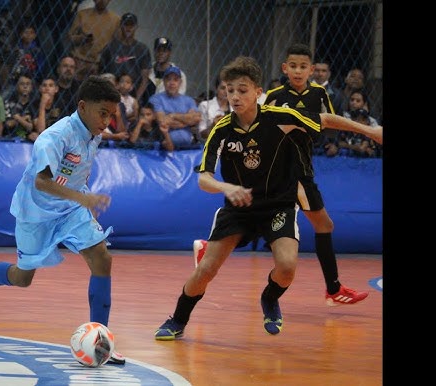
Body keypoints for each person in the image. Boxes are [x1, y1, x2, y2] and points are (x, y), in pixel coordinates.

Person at [155, 56, 382, 341]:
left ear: (258, 92)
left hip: (278, 205)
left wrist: (371, 131)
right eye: (230, 90)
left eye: (242, 90)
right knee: (206, 270)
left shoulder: (279, 118)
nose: (235, 96)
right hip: (239, 208)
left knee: (286, 268)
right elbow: (204, 179)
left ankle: (269, 297)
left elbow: (324, 119)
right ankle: (177, 319)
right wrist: (228, 189)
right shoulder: (222, 129)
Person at [0, 75, 126, 365]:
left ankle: (101, 339)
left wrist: (79, 199)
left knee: (102, 259)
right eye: (103, 113)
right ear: (82, 107)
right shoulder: (54, 137)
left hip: (71, 208)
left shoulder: (93, 132)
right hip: (36, 211)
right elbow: (41, 182)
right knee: (23, 279)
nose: (107, 121)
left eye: (111, 115)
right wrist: (82, 198)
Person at [195, 43, 369, 306]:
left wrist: (366, 132)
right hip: (285, 174)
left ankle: (213, 248)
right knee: (309, 224)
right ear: (285, 68)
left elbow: (327, 123)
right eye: (293, 66)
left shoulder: (319, 94)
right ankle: (332, 289)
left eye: (303, 67)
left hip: (304, 170)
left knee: (320, 225)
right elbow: (256, 124)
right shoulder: (274, 97)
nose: (298, 71)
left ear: (311, 70)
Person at [99, 12, 152, 102]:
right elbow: (101, 74)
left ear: (136, 27)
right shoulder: (110, 47)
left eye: (131, 25)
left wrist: (135, 100)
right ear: (121, 26)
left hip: (132, 96)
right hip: (111, 95)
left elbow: (144, 79)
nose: (128, 28)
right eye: (126, 24)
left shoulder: (142, 49)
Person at [67, 0, 120, 82]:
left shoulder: (116, 20)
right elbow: (70, 38)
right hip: (78, 61)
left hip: (98, 65)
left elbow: (116, 44)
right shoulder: (82, 14)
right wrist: (82, 38)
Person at [148, 65, 201, 148]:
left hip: (187, 149)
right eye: (168, 79)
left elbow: (196, 119)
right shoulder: (156, 99)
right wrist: (187, 122)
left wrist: (173, 116)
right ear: (164, 82)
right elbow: (163, 122)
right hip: (163, 148)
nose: (172, 83)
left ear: (180, 82)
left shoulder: (189, 100)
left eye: (175, 80)